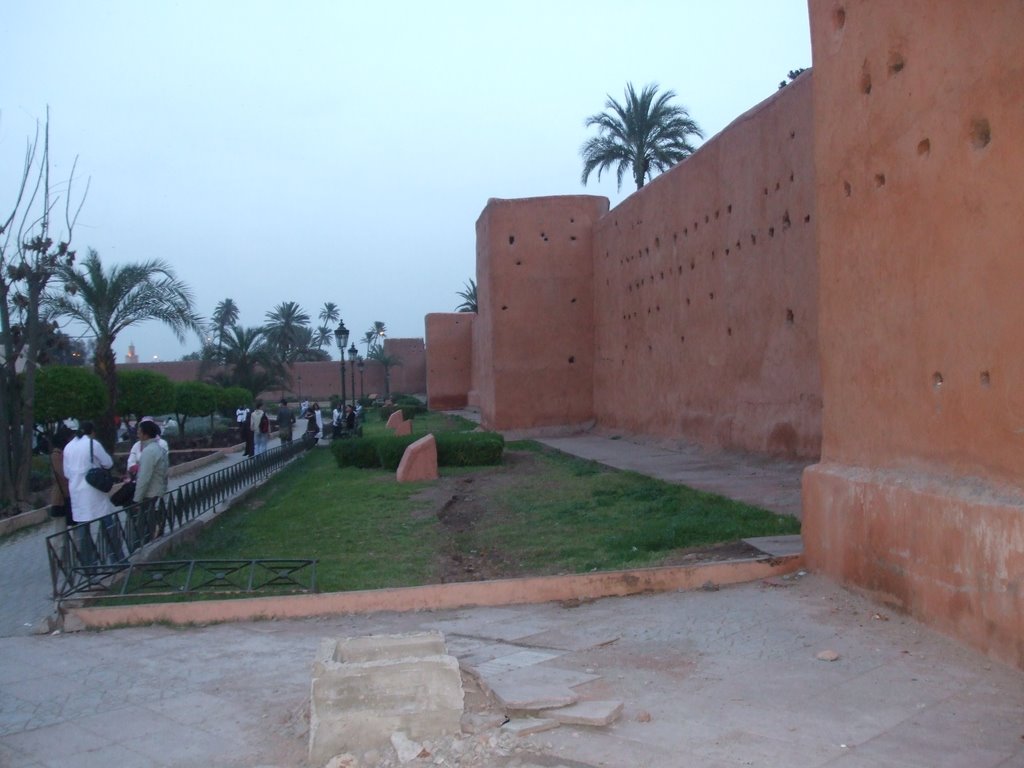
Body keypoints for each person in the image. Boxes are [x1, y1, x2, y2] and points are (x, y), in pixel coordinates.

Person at [62, 421, 117, 565]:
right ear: (92, 432)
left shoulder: (68, 447)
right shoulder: (93, 444)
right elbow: (108, 463)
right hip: (94, 490)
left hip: (76, 492)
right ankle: (115, 559)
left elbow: (67, 473)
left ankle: (89, 565)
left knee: (82, 527)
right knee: (107, 523)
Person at [132, 420, 170, 544]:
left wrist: (137, 499)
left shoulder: (149, 452)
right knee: (152, 522)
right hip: (158, 490)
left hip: (150, 493)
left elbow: (144, 477)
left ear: (145, 434)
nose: (137, 434)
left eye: (139, 431)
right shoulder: (158, 448)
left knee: (146, 526)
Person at [49, 427, 74, 528]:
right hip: (61, 497)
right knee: (60, 531)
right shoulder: (56, 455)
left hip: (67, 495)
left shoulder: (63, 453)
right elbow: (63, 474)